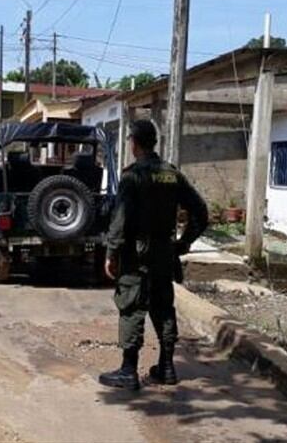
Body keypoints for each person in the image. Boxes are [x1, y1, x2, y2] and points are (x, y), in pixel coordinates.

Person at [99, 120, 208, 391]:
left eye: (129, 141)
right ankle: (167, 367)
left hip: (137, 255)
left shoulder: (132, 176)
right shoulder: (172, 174)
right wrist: (184, 243)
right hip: (164, 253)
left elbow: (120, 219)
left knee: (132, 306)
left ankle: (128, 371)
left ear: (134, 142)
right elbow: (201, 212)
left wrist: (111, 252)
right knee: (163, 307)